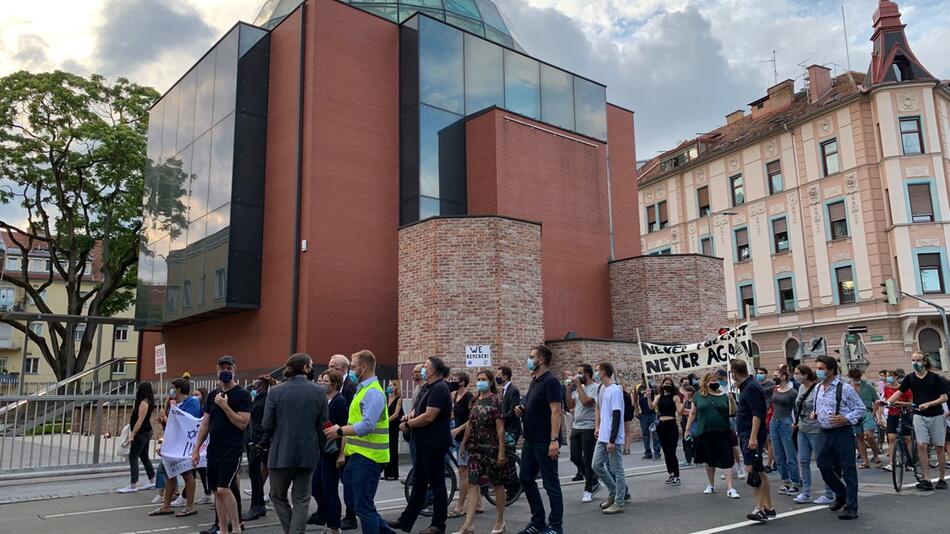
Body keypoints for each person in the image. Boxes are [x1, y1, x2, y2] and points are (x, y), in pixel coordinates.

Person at [264, 353, 328, 534]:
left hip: (280, 452)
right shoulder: (319, 391)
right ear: (306, 368)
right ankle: (296, 530)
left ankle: (293, 529)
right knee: (301, 498)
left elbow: (267, 424)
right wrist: (320, 447)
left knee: (277, 495)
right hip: (308, 452)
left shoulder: (275, 391)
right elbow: (323, 425)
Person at [391, 356, 452, 534]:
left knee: (437, 484)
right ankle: (406, 520)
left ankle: (438, 525)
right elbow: (419, 410)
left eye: (425, 367)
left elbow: (429, 416)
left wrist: (408, 424)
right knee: (419, 483)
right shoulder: (427, 387)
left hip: (434, 443)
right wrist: (409, 416)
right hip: (423, 442)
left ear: (432, 371)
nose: (422, 370)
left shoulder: (440, 388)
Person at [192, 355, 252, 534]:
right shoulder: (212, 395)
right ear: (217, 371)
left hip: (232, 449)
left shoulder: (243, 395)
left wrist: (225, 406)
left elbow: (242, 423)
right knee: (216, 491)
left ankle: (236, 527)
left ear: (234, 371)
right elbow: (205, 423)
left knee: (224, 488)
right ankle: (222, 528)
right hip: (214, 449)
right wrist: (196, 449)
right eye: (222, 368)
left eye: (229, 368)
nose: (225, 371)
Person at [514, 345, 564, 534]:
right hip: (531, 439)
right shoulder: (535, 381)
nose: (529, 359)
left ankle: (556, 526)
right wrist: (521, 409)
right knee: (526, 478)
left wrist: (553, 440)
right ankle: (538, 521)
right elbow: (534, 405)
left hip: (545, 440)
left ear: (541, 360)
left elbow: (556, 411)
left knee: (551, 483)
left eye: (531, 356)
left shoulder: (551, 381)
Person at [454, 370, 510, 534]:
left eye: (484, 379)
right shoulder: (474, 401)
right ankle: (468, 525)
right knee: (473, 485)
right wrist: (463, 444)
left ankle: (500, 521)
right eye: (478, 379)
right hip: (475, 448)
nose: (480, 382)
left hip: (491, 447)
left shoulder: (496, 400)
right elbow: (470, 424)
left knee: (497, 484)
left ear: (491, 382)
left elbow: (500, 427)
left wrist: (501, 451)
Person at [813, 355, 866, 520]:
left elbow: (861, 409)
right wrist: (815, 414)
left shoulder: (845, 388)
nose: (818, 371)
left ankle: (851, 506)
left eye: (821, 368)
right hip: (824, 431)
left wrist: (846, 418)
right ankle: (841, 493)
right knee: (823, 465)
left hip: (842, 432)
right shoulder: (818, 388)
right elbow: (819, 407)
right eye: (817, 368)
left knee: (848, 468)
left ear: (831, 370)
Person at [886, 351, 948, 490]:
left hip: (936, 415)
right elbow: (900, 392)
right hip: (919, 415)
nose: (915, 363)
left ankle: (942, 478)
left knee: (939, 446)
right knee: (921, 445)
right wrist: (887, 402)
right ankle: (926, 478)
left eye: (918, 360)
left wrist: (929, 404)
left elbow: (944, 397)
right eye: (913, 360)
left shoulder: (935, 378)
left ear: (925, 362)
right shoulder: (910, 378)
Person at [148, 378, 203, 517]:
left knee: (187, 475)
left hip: (184, 446)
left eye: (173, 388)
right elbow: (172, 428)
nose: (171, 391)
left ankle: (190, 506)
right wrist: (164, 422)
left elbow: (186, 424)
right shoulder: (176, 403)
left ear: (179, 389)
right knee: (169, 473)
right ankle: (166, 505)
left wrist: (170, 413)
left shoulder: (192, 403)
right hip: (173, 445)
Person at [732, 359, 775, 523]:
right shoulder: (749, 386)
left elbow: (757, 414)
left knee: (753, 471)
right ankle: (769, 507)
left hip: (750, 433)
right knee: (760, 470)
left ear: (734, 373)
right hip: (749, 432)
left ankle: (759, 509)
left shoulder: (750, 387)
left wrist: (752, 437)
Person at [684, 373, 739, 499]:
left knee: (726, 458)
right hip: (705, 431)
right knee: (709, 460)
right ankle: (711, 484)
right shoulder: (699, 395)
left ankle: (730, 488)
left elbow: (732, 412)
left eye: (716, 380)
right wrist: (687, 429)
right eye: (711, 381)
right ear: (705, 382)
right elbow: (693, 413)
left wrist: (731, 400)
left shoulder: (724, 395)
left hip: (722, 431)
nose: (714, 382)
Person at [792, 364, 836, 505]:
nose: (795, 376)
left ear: (805, 375)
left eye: (798, 373)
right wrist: (797, 421)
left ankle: (829, 493)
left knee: (822, 462)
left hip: (816, 430)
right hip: (802, 429)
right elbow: (798, 407)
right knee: (803, 461)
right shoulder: (800, 388)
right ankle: (806, 493)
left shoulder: (817, 389)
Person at [327, 354, 360, 531]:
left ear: (342, 368)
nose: (329, 369)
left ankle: (351, 515)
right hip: (333, 439)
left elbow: (349, 419)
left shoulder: (349, 387)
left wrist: (343, 449)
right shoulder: (337, 387)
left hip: (345, 440)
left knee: (347, 481)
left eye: (332, 366)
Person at [315, 370, 348, 534]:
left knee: (330, 490)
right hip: (320, 451)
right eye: (321, 380)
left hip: (332, 452)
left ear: (334, 383)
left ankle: (334, 526)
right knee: (316, 487)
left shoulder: (339, 402)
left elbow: (344, 430)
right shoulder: (323, 400)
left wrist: (341, 454)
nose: (322, 383)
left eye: (326, 380)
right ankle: (326, 517)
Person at [591, 361, 627, 514]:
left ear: (604, 373)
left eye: (597, 370)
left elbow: (617, 415)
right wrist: (598, 427)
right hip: (603, 435)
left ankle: (619, 501)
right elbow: (601, 410)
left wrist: (612, 440)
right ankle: (613, 491)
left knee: (617, 469)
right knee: (596, 465)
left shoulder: (615, 390)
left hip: (613, 436)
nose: (595, 373)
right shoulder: (602, 389)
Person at [566, 363, 599, 503]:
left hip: (589, 427)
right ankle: (593, 480)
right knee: (574, 456)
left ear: (587, 375)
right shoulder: (581, 388)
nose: (577, 375)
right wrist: (568, 390)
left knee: (588, 459)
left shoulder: (596, 388)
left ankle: (588, 489)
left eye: (580, 373)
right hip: (576, 426)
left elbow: (586, 402)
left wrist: (578, 385)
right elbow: (570, 405)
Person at [244, 375, 276, 522]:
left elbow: (263, 423)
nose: (253, 388)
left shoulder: (264, 401)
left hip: (258, 441)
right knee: (254, 474)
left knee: (255, 474)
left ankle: (256, 506)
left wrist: (259, 442)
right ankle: (259, 505)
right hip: (256, 439)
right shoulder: (260, 399)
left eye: (256, 386)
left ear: (262, 387)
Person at [117, 382, 156, 493]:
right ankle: (152, 480)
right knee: (144, 456)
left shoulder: (144, 402)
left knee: (133, 457)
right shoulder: (148, 401)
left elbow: (140, 419)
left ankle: (134, 484)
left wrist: (132, 434)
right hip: (145, 431)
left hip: (141, 433)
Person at [449, 372, 477, 518]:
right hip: (457, 436)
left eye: (455, 380)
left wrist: (459, 428)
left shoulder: (468, 397)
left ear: (462, 382)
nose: (452, 382)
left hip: (467, 437)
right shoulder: (455, 396)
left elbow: (472, 419)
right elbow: (456, 414)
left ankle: (460, 506)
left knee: (463, 471)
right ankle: (478, 503)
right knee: (465, 470)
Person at [769, 368, 801, 496]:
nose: (774, 377)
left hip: (786, 422)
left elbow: (796, 408)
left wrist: (795, 423)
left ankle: (795, 482)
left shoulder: (792, 392)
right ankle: (785, 481)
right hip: (774, 422)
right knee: (778, 454)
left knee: (790, 454)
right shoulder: (775, 389)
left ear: (783, 376)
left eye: (776, 375)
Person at [847, 368, 881, 469]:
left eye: (858, 377)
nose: (856, 379)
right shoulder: (847, 387)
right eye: (854, 378)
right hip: (854, 413)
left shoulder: (868, 386)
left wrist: (874, 413)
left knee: (869, 435)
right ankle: (865, 461)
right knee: (859, 437)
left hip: (867, 412)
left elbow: (876, 400)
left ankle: (876, 455)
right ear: (851, 378)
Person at [652, 377, 683, 485]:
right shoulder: (658, 397)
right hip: (661, 426)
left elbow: (679, 411)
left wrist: (685, 401)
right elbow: (651, 407)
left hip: (671, 425)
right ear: (662, 385)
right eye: (666, 383)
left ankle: (677, 475)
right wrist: (647, 397)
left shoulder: (675, 397)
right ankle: (670, 474)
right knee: (665, 451)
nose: (667, 385)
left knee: (671, 451)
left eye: (669, 383)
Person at [194, 387, 213, 505]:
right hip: (199, 439)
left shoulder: (204, 408)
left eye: (197, 394)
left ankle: (208, 491)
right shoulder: (198, 406)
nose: (194, 396)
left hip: (205, 441)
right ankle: (207, 491)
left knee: (202, 468)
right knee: (200, 469)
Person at [634, 377, 661, 461]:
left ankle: (657, 453)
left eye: (650, 377)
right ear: (643, 378)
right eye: (648, 378)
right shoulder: (638, 387)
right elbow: (634, 400)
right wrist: (636, 411)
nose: (649, 379)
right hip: (643, 414)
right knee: (645, 435)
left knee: (656, 434)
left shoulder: (654, 387)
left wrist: (659, 411)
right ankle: (648, 453)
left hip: (653, 413)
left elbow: (660, 398)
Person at [497, 366, 522, 445]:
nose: (497, 377)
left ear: (505, 377)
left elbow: (512, 411)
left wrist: (500, 418)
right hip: (506, 428)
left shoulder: (513, 390)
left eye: (499, 375)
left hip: (512, 429)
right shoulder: (503, 390)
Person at [384, 383, 403, 481]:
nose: (389, 387)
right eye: (388, 385)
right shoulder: (386, 398)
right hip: (386, 427)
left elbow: (396, 414)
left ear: (396, 387)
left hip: (393, 426)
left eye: (391, 385)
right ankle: (387, 473)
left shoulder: (398, 399)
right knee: (386, 448)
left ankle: (394, 473)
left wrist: (386, 422)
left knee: (393, 449)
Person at [681, 385, 696, 466]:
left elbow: (695, 412)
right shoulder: (685, 401)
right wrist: (683, 403)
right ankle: (688, 459)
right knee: (687, 442)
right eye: (686, 391)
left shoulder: (695, 400)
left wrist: (688, 411)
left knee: (696, 441)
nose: (687, 393)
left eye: (689, 391)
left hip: (694, 424)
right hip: (685, 423)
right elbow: (680, 411)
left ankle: (696, 458)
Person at [621, 382, 635, 455]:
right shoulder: (628, 394)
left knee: (624, 432)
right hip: (628, 413)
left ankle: (625, 448)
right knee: (627, 432)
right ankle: (627, 448)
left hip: (623, 414)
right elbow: (632, 404)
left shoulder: (619, 394)